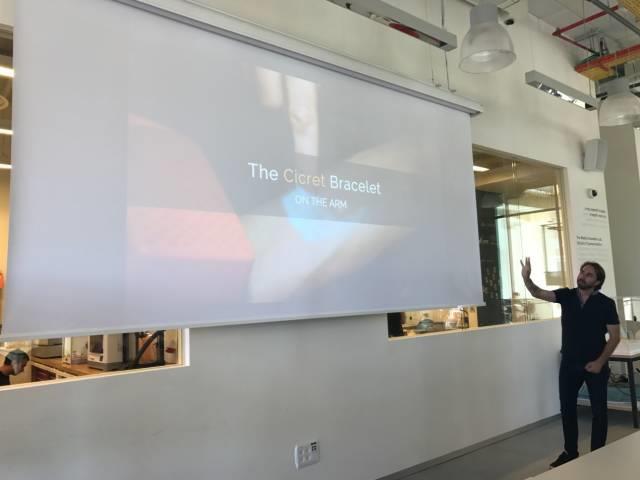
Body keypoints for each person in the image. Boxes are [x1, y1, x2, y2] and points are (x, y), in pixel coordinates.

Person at [520, 258, 620, 468]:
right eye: (582, 272)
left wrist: (600, 362)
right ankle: (570, 452)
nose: (582, 276)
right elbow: (538, 293)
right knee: (567, 408)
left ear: (597, 281)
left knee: (599, 412)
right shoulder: (567, 295)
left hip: (595, 365)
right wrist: (526, 278)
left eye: (588, 274)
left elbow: (614, 337)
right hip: (569, 364)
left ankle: (598, 454)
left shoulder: (606, 304)